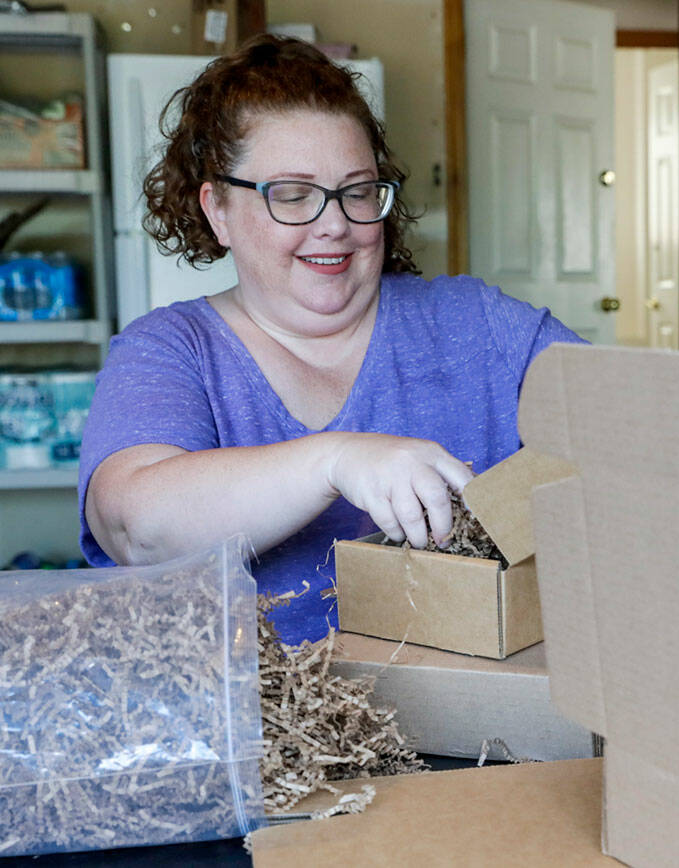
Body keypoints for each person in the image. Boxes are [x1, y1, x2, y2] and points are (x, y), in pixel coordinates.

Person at [79, 36, 582, 646]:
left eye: (358, 191)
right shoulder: (170, 350)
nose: (336, 225)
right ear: (218, 210)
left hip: (488, 718)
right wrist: (335, 459)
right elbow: (136, 529)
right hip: (267, 727)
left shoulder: (479, 325)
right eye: (293, 195)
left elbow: (643, 426)